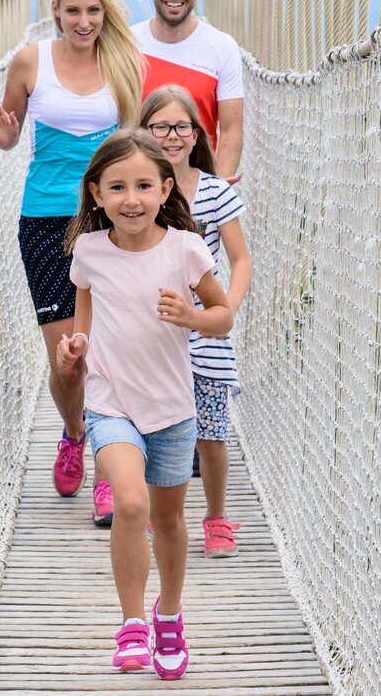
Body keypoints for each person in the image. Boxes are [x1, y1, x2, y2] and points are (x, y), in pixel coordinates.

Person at [53, 130, 234, 679]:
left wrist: (193, 318)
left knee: (170, 518)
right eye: (117, 187)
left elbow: (222, 318)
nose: (130, 198)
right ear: (96, 193)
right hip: (111, 402)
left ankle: (169, 616)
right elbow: (84, 318)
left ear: (165, 189)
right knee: (130, 504)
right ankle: (132, 622)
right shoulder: (89, 251)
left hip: (173, 408)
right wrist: (75, 349)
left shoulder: (186, 248)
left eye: (142, 186)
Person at [0, 0, 146, 499]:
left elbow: (136, 148)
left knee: (106, 353)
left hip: (106, 219)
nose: (83, 21)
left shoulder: (125, 63)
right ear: (55, 11)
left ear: (105, 13)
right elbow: (11, 136)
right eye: (73, 10)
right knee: (70, 360)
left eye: (93, 10)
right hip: (45, 221)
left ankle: (106, 466)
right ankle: (74, 432)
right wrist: (6, 135)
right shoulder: (30, 61)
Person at [138, 86, 252, 558]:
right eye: (159, 126)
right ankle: (158, 515)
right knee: (151, 426)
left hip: (204, 329)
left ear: (195, 133)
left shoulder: (214, 191)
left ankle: (216, 515)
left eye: (181, 126)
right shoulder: (139, 189)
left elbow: (240, 258)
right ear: (143, 133)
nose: (171, 136)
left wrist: (223, 309)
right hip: (150, 331)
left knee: (210, 431)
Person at [132, 0, 246, 180]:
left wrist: (217, 190)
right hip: (139, 188)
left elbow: (231, 129)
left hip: (199, 187)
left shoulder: (222, 47)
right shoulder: (127, 45)